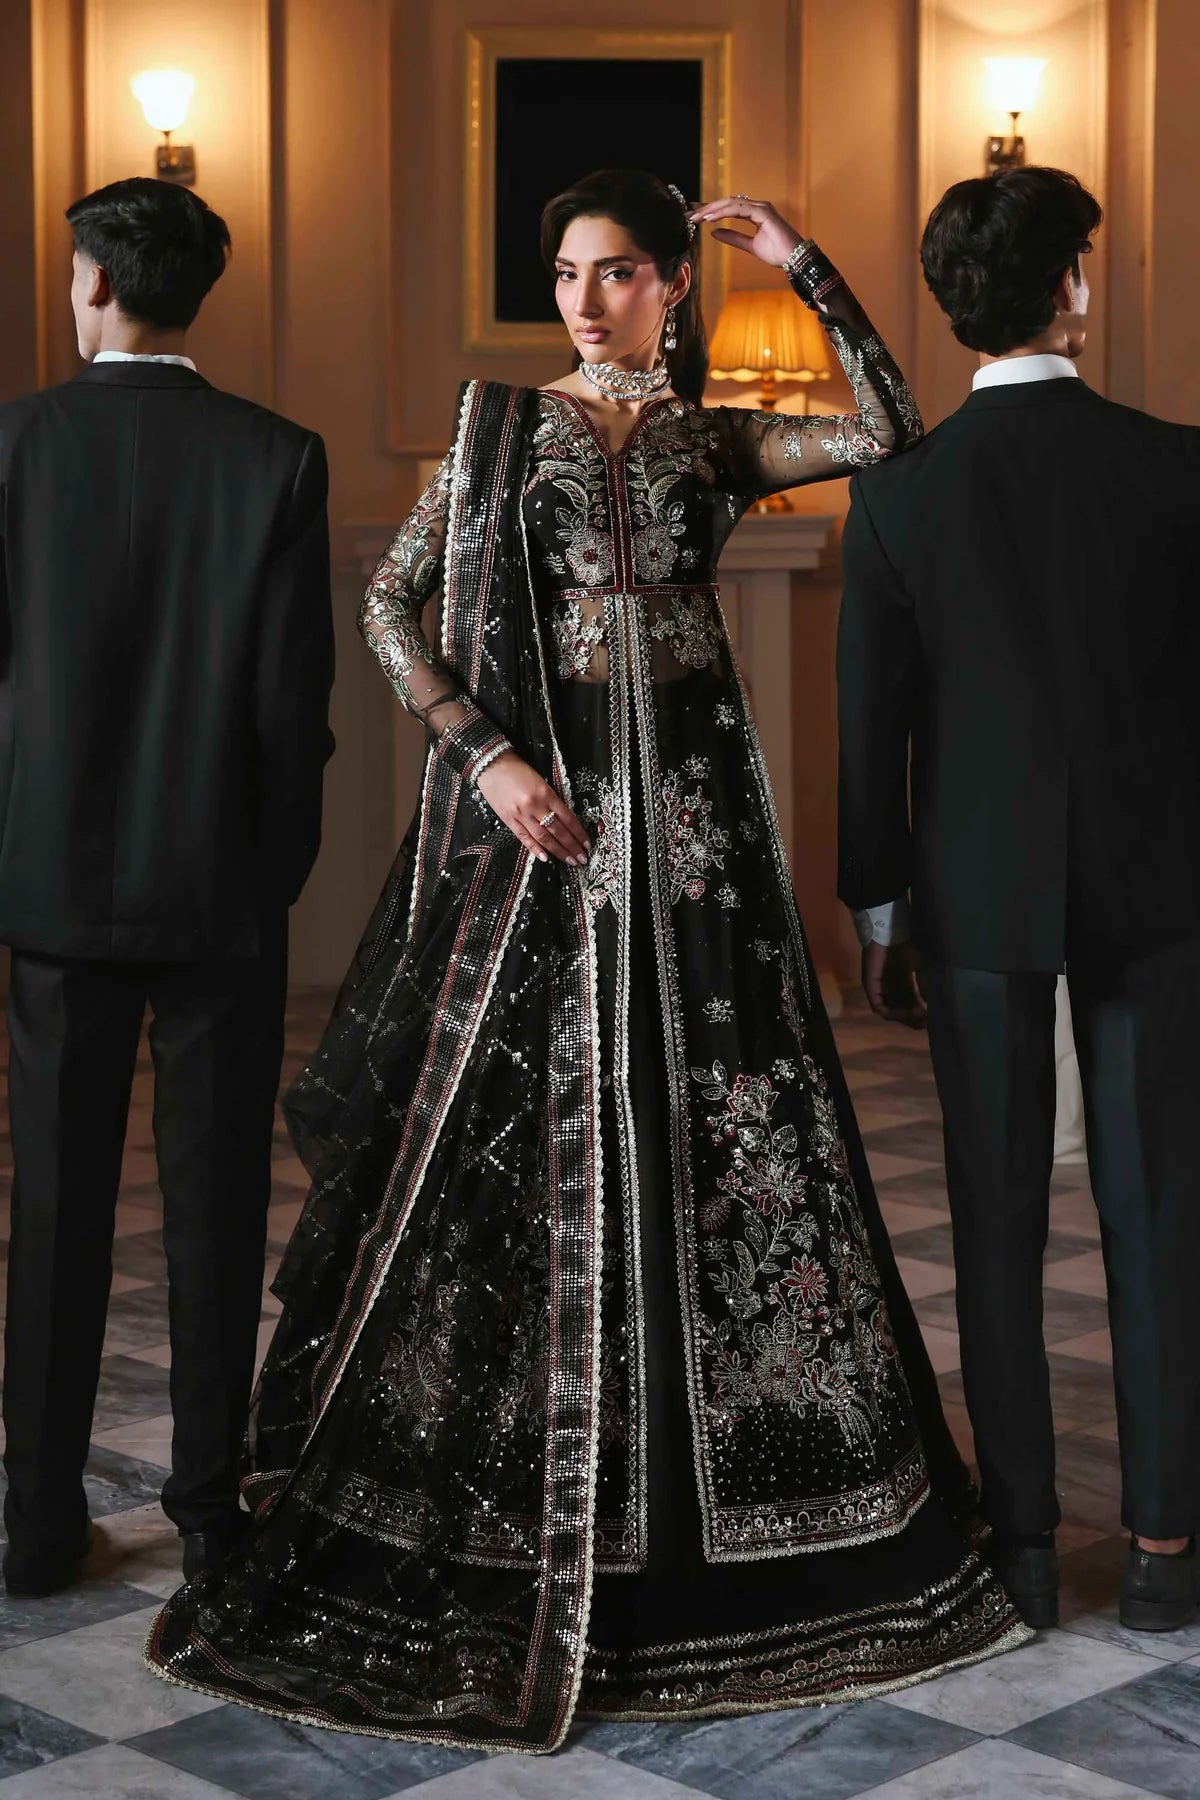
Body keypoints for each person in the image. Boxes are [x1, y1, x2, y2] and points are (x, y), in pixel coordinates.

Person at [147, 169, 1025, 1752]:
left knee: (719, 1133)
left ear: (670, 286)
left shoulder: (713, 440)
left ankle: (724, 1497)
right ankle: (555, 1476)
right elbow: (393, 607)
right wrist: (487, 758)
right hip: (544, 834)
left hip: (697, 836)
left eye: (616, 272)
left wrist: (806, 265)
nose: (584, 299)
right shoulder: (498, 432)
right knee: (532, 1141)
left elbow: (892, 431)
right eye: (565, 272)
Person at [837, 164, 1200, 1632]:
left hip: (973, 888)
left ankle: (1029, 1549)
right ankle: (1166, 1549)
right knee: (1158, 1210)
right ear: (1072, 289)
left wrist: (876, 910)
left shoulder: (900, 492)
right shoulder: (1177, 467)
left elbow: (873, 727)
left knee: (994, 1217)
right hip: (1160, 882)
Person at [0, 177, 334, 1597]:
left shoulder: (13, 444)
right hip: (220, 890)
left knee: (54, 1210)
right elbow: (293, 713)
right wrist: (268, 881)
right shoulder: (279, 456)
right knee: (215, 1207)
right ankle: (208, 1513)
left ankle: (35, 1521)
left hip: (51, 888)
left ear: (93, 281)